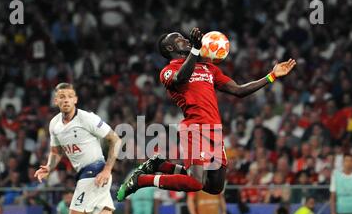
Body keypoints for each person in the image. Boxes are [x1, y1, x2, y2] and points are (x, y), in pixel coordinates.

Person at [117, 27, 296, 201]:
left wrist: (271, 76)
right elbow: (181, 78)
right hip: (194, 127)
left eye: (186, 38)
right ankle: (141, 180)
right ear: (170, 48)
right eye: (180, 39)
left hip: (214, 129)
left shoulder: (208, 68)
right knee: (195, 182)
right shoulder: (168, 71)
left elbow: (239, 90)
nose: (186, 40)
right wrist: (195, 49)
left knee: (215, 186)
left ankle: (160, 165)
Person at [35, 83, 164, 214]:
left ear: (76, 99)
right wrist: (49, 167)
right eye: (61, 96)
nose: (66, 99)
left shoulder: (87, 118)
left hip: (95, 173)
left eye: (69, 96)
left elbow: (115, 139)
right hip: (85, 176)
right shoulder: (54, 124)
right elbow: (56, 150)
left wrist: (107, 170)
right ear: (55, 101)